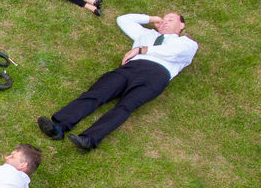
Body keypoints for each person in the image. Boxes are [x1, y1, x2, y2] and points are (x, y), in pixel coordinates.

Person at [36, 12, 197, 151]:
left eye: (170, 19)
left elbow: (174, 52)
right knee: (97, 92)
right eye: (163, 18)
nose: (165, 21)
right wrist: (150, 18)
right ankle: (59, 126)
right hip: (131, 67)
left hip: (157, 74)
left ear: (181, 25)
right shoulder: (147, 35)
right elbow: (123, 20)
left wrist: (141, 49)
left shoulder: (187, 43)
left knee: (126, 106)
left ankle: (89, 139)